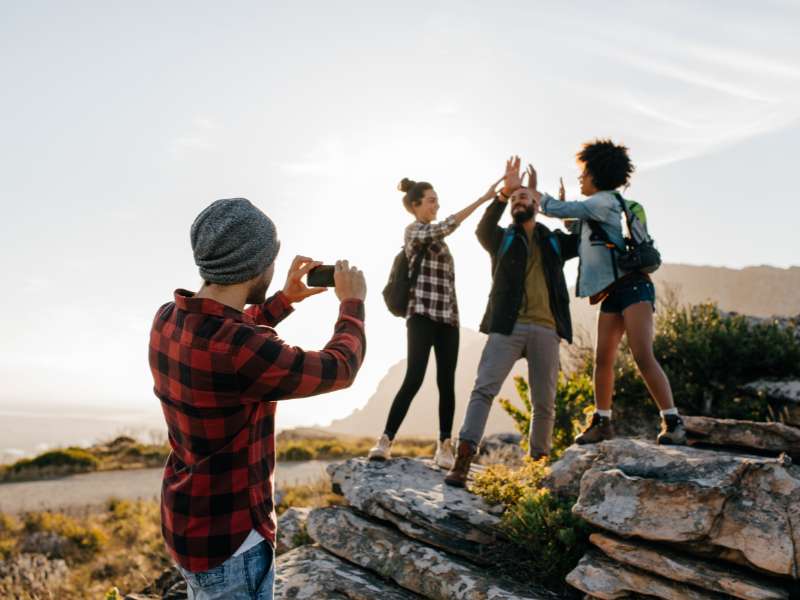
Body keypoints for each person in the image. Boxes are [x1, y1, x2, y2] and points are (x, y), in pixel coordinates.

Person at [148, 198, 367, 599]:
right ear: (255, 266)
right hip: (234, 541)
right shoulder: (241, 348)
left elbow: (226, 333)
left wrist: (283, 301)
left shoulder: (167, 319)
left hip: (186, 523)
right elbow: (340, 368)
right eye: (271, 259)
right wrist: (352, 303)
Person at [533, 139, 686, 445]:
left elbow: (561, 209)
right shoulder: (598, 208)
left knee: (642, 354)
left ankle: (673, 421)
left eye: (584, 173)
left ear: (598, 175)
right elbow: (579, 229)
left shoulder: (604, 201)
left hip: (634, 287)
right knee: (603, 359)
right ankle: (602, 422)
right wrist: (567, 212)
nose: (580, 178)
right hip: (613, 292)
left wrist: (534, 193)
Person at [444, 157, 579, 488]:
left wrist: (559, 210)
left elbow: (581, 240)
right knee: (483, 390)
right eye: (515, 199)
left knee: (544, 403)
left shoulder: (553, 241)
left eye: (526, 198)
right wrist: (503, 194)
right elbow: (481, 229)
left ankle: (538, 469)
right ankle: (463, 460)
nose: (519, 201)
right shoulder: (501, 238)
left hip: (547, 329)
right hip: (507, 326)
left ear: (536, 204)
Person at [368, 176, 503, 468]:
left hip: (448, 318)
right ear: (415, 205)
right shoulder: (414, 231)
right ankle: (385, 440)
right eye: (431, 200)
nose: (436, 204)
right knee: (414, 377)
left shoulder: (437, 239)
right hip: (421, 314)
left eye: (436, 200)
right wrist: (482, 199)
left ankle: (444, 446)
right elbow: (448, 226)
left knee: (446, 382)